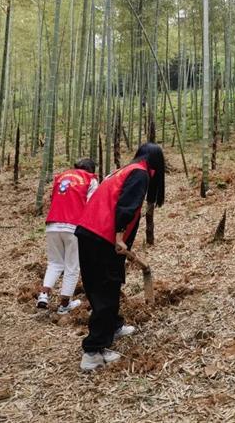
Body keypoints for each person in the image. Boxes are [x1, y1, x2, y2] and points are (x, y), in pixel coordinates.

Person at [74, 143, 166, 372]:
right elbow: (127, 206)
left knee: (104, 285)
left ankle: (112, 325)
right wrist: (118, 236)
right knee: (105, 288)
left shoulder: (124, 169)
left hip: (88, 232)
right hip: (103, 236)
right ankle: (93, 350)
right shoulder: (140, 173)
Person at [36, 159, 98, 314]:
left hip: (52, 224)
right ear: (91, 169)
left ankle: (43, 295)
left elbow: (54, 199)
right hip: (73, 226)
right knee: (72, 266)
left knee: (55, 263)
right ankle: (64, 305)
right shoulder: (90, 179)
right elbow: (92, 204)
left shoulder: (61, 177)